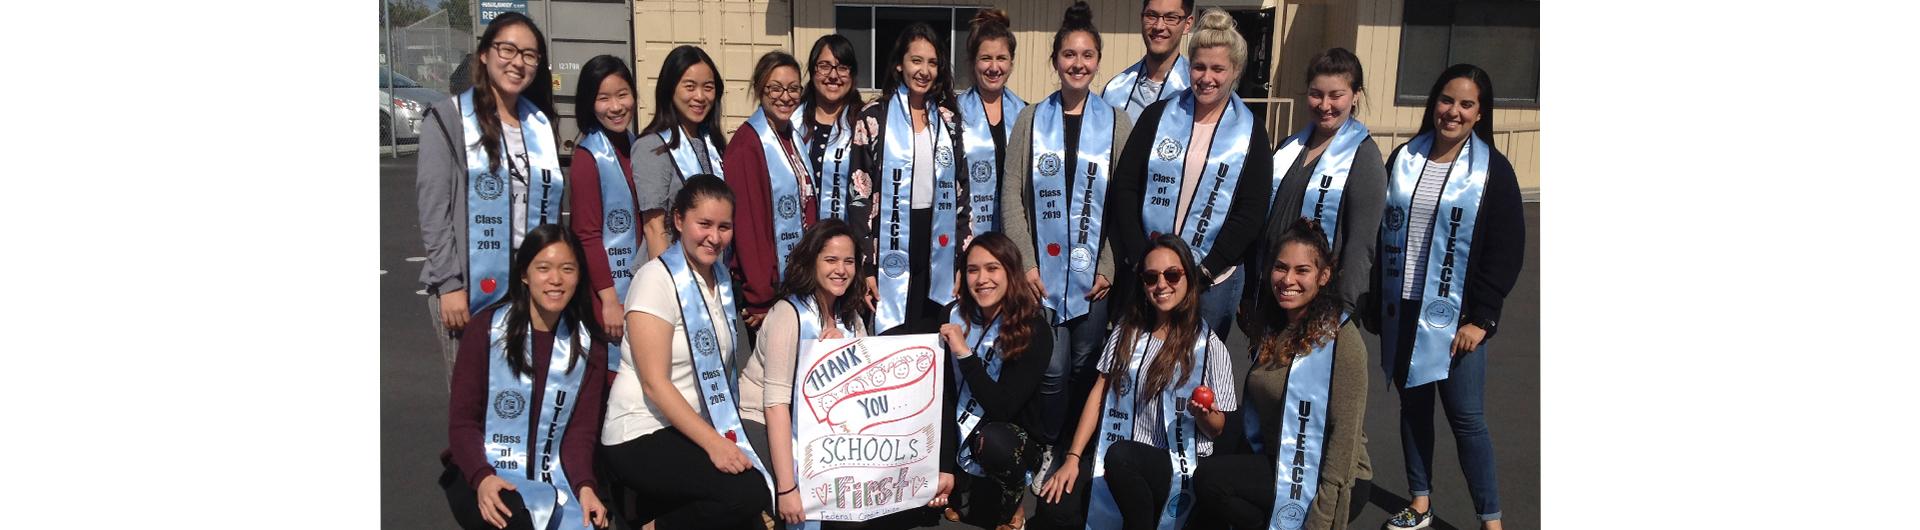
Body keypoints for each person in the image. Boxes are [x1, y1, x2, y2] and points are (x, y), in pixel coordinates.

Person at [1374, 64, 1525, 530]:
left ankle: (1490, 520)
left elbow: (1506, 250)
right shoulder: (1403, 157)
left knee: (1466, 420)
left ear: (1481, 113)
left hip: (1456, 315)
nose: (1452, 112)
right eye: (1446, 100)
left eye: (1466, 104)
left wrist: (1482, 317)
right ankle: (1420, 503)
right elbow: (1381, 231)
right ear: (1433, 103)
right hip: (1404, 307)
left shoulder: (1493, 170)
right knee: (1413, 409)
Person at [996, 0, 1131, 481]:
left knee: (1085, 366)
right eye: (1069, 54)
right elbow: (1011, 195)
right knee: (1051, 371)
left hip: (1094, 276)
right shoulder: (1031, 119)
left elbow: (1123, 203)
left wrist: (1110, 266)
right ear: (1055, 61)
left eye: (1087, 55)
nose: (1078, 63)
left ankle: (1080, 446)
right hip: (1042, 276)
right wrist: (1027, 264)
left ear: (1097, 61)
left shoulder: (1116, 123)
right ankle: (1051, 442)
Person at [599, 175, 772, 529]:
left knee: (762, 487)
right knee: (746, 494)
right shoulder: (654, 279)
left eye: (724, 227)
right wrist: (715, 445)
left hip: (690, 425)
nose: (715, 236)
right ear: (679, 220)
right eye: (704, 224)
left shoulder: (720, 277)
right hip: (641, 429)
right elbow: (654, 383)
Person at [1034, 235, 1238, 530]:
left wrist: (1204, 415)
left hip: (1174, 466)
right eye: (1151, 277)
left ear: (1189, 279)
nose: (1161, 285)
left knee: (1122, 460)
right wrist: (1073, 458)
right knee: (1053, 507)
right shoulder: (1128, 330)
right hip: (1119, 450)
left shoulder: (1210, 347)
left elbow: (1218, 429)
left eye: (1172, 275)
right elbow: (1099, 392)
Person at [1189, 220, 1370, 530]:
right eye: (1281, 267)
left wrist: (1322, 520)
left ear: (1323, 276)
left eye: (1302, 270)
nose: (1288, 279)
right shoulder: (1276, 326)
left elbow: (1344, 439)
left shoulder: (1340, 339)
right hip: (1277, 459)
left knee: (1213, 481)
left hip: (1325, 475)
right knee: (1206, 480)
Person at [1108, 8, 1273, 337]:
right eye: (1199, 66)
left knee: (1198, 379)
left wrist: (1207, 269)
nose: (1206, 77)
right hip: (1151, 276)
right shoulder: (1158, 116)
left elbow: (1251, 212)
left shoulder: (1250, 132)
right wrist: (1143, 257)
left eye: (1218, 69)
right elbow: (1125, 187)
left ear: (1235, 71)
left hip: (1211, 282)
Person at [417, 12, 562, 385]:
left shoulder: (538, 124)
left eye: (530, 55)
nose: (518, 62)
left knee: (523, 394)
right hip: (468, 287)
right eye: (507, 49)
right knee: (472, 401)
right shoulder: (448, 118)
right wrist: (450, 285)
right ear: (484, 54)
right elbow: (434, 211)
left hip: (527, 287)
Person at [441, 224, 612, 530]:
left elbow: (579, 434)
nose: (556, 280)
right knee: (518, 521)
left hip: (552, 475)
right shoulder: (487, 330)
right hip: (481, 471)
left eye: (567, 269)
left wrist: (585, 487)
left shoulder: (588, 346)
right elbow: (463, 422)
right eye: (543, 268)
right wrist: (482, 478)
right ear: (524, 274)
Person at [1242, 47, 1387, 336]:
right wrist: (1250, 293)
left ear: (1356, 95)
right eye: (1316, 93)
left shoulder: (1363, 157)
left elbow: (1361, 246)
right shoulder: (1289, 147)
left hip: (1321, 306)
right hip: (1275, 294)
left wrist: (1341, 311)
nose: (1324, 105)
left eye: (1336, 95)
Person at [734, 218, 869, 528]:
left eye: (848, 261)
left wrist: (846, 351)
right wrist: (788, 488)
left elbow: (866, 386)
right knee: (809, 499)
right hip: (762, 418)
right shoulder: (787, 314)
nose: (841, 270)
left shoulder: (850, 316)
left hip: (820, 427)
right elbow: (776, 405)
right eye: (831, 260)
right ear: (812, 262)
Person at [848, 23, 972, 335]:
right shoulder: (874, 117)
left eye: (932, 63)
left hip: (937, 239)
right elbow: (859, 194)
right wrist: (866, 265)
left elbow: (961, 191)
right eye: (916, 61)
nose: (924, 71)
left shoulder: (948, 120)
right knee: (893, 329)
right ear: (899, 64)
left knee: (932, 329)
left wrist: (959, 260)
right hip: (889, 236)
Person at [936, 233, 1057, 529]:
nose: (982, 279)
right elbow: (946, 395)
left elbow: (1003, 406)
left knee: (995, 442)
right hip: (963, 433)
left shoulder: (1034, 328)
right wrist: (943, 465)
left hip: (1010, 437)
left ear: (1010, 272)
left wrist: (964, 354)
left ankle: (1013, 506)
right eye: (973, 270)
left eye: (993, 268)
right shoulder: (953, 315)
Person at [726, 51, 820, 330]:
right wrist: (759, 298)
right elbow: (748, 226)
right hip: (768, 290)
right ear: (759, 89)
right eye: (775, 88)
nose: (785, 96)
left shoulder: (792, 136)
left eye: (793, 89)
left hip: (796, 282)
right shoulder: (747, 145)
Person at [567, 54, 641, 373]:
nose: (615, 106)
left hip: (639, 280)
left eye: (622, 94)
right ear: (589, 103)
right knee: (613, 376)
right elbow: (587, 234)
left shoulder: (636, 145)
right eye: (604, 98)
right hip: (609, 291)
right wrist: (609, 300)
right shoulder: (588, 157)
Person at [632, 45, 727, 261]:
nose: (700, 96)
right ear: (670, 89)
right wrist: (672, 287)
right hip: (673, 272)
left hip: (711, 271)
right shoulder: (652, 146)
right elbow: (655, 228)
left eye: (708, 87)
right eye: (690, 86)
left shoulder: (714, 145)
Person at [956, 9, 1026, 234]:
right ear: (973, 61)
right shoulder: (952, 113)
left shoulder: (1027, 114)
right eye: (986, 58)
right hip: (967, 233)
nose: (994, 68)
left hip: (1014, 235)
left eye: (1001, 58)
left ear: (1011, 63)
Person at [798, 35, 869, 225]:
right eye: (824, 66)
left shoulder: (864, 124)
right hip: (797, 238)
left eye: (842, 68)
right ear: (813, 71)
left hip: (845, 241)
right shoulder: (793, 122)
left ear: (852, 75)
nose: (833, 75)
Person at [1100, 0, 1194, 121]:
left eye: (1171, 17)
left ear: (1187, 24)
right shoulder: (1114, 90)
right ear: (1141, 18)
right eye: (1152, 16)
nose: (1159, 26)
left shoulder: (1196, 89)